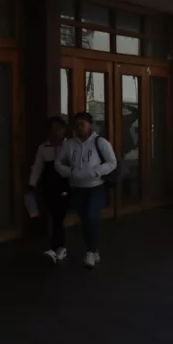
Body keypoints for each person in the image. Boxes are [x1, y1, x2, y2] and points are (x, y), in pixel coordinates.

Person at [54, 112, 117, 269]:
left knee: (91, 216)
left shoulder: (100, 142)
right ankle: (93, 250)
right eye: (76, 124)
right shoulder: (69, 144)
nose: (79, 127)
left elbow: (112, 162)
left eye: (82, 124)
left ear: (90, 125)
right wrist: (69, 172)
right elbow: (58, 163)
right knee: (85, 220)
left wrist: (95, 171)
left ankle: (90, 251)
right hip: (77, 188)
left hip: (96, 187)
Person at [29, 116, 70, 263]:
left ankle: (56, 248)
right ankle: (59, 248)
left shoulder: (69, 146)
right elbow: (37, 167)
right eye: (52, 129)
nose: (55, 132)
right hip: (49, 187)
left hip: (65, 187)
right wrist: (31, 184)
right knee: (53, 215)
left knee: (58, 216)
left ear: (64, 130)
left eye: (58, 129)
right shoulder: (43, 148)